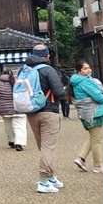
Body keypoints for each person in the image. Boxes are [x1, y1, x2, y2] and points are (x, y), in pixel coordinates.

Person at [25, 44, 67, 194]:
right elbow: (59, 92)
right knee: (48, 147)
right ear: (47, 56)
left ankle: (50, 177)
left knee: (43, 146)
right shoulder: (48, 70)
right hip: (48, 111)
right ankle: (43, 182)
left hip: (31, 112)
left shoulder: (25, 70)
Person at [70, 60, 103, 173]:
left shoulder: (80, 80)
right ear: (79, 71)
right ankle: (98, 165)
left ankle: (81, 158)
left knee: (94, 137)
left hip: (88, 112)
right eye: (85, 68)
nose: (88, 70)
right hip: (93, 112)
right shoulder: (85, 82)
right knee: (97, 139)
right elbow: (99, 97)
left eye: (89, 67)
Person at [0, 69, 26, 151]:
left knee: (8, 126)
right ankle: (19, 143)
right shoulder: (17, 82)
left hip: (4, 108)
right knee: (19, 126)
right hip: (18, 107)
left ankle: (11, 141)